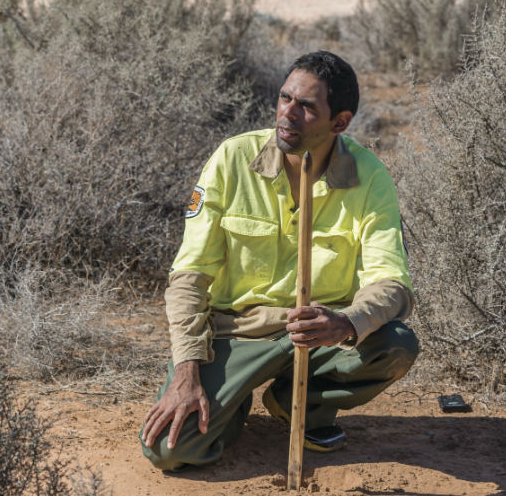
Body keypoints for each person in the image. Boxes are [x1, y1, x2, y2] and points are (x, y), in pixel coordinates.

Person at [141, 51, 419, 471]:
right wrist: (187, 371)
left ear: (339, 122)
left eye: (307, 106)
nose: (288, 113)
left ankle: (299, 403)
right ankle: (230, 407)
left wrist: (347, 322)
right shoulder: (231, 160)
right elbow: (188, 278)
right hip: (236, 333)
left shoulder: (370, 177)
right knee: (171, 450)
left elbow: (392, 285)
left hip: (319, 335)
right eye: (285, 97)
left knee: (395, 344)